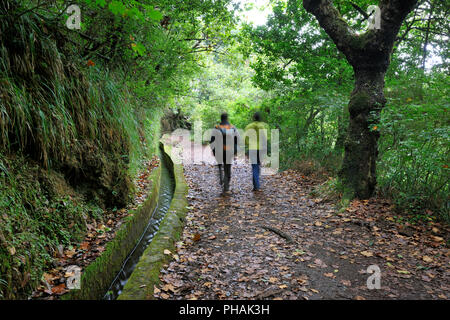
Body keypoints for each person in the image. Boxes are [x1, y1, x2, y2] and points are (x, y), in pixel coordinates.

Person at [210, 113, 239, 193]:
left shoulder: (216, 128)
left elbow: (212, 140)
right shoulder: (232, 128)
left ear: (221, 119)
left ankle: (221, 177)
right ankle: (226, 187)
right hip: (229, 151)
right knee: (227, 168)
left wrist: (213, 150)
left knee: (219, 165)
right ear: (227, 119)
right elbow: (237, 140)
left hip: (219, 150)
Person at [244, 112, 268, 191]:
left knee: (254, 166)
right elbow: (265, 138)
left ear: (253, 118)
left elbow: (245, 138)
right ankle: (256, 185)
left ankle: (256, 186)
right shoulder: (262, 126)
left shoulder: (249, 127)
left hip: (252, 148)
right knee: (258, 165)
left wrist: (248, 144)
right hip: (261, 149)